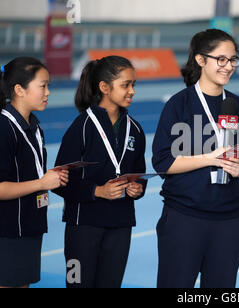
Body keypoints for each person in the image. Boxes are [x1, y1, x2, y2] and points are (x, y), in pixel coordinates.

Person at [152, 29, 239, 288]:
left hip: (229, 220)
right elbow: (164, 163)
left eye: (233, 59)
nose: (228, 66)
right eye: (221, 59)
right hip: (184, 218)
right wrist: (210, 158)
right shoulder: (179, 105)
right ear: (201, 60)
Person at [53, 56, 147, 288]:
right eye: (126, 85)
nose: (132, 91)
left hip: (120, 225)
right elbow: (59, 181)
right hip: (83, 227)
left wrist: (138, 188)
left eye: (134, 84)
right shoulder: (82, 127)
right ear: (104, 88)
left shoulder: (135, 129)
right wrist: (97, 191)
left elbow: (140, 173)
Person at [0, 57, 68, 288]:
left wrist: (50, 177)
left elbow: (26, 174)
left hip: (29, 225)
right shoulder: (4, 128)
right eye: (43, 86)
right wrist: (41, 183)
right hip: (7, 231)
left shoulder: (34, 126)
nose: (48, 92)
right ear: (19, 89)